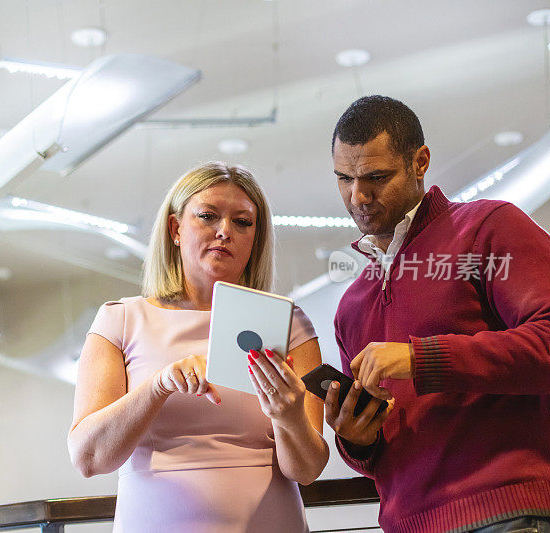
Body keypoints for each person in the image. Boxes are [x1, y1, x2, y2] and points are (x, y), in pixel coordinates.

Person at [326, 95, 550, 532]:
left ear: (420, 161)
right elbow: (381, 458)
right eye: (344, 179)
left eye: (376, 177)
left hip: (505, 514)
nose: (359, 196)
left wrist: (418, 358)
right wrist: (356, 439)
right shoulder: (351, 305)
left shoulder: (487, 226)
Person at [68, 162, 329, 532]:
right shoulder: (120, 320)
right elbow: (88, 458)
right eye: (208, 216)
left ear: (255, 238)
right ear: (175, 229)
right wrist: (158, 386)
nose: (225, 231)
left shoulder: (290, 325)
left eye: (242, 222)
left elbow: (306, 470)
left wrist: (288, 416)